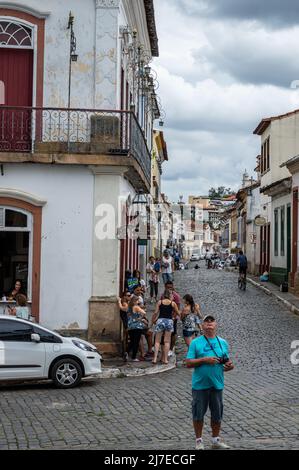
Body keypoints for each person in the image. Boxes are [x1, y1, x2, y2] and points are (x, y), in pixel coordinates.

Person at [186, 315, 234, 450]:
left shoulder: (223, 342)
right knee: (198, 413)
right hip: (200, 385)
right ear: (202, 326)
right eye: (206, 322)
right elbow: (188, 363)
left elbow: (226, 362)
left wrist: (230, 366)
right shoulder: (196, 343)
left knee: (217, 414)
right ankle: (199, 441)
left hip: (217, 384)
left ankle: (215, 440)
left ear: (216, 325)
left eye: (211, 321)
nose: (209, 324)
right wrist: (204, 360)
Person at [151, 290, 179, 365]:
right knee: (167, 341)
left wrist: (153, 320)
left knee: (157, 341)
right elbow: (178, 312)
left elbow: (156, 312)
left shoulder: (160, 302)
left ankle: (154, 358)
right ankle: (165, 359)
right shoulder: (173, 303)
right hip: (169, 321)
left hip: (160, 320)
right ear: (170, 295)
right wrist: (173, 316)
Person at [127, 296, 148, 362]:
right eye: (137, 301)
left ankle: (126, 352)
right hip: (137, 326)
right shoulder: (136, 307)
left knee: (132, 341)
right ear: (134, 301)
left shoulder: (129, 307)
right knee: (136, 342)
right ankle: (133, 357)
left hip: (131, 326)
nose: (138, 302)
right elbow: (144, 313)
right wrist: (141, 318)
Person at [162, 281, 181, 355]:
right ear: (165, 287)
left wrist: (173, 317)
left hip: (172, 318)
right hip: (164, 317)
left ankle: (171, 349)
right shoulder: (163, 295)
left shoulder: (176, 296)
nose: (169, 289)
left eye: (170, 287)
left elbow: (178, 308)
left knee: (173, 333)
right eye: (168, 287)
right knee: (164, 333)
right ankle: (164, 348)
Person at [118, 291, 131, 361]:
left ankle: (126, 353)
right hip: (126, 324)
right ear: (124, 296)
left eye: (130, 295)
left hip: (128, 323)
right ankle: (125, 353)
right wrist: (119, 302)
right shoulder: (124, 303)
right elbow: (124, 309)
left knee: (127, 339)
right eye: (128, 295)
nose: (129, 296)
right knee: (126, 339)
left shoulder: (127, 303)